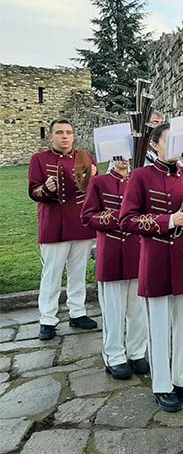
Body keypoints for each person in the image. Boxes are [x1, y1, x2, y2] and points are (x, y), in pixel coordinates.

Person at [119, 123, 183, 413]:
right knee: (157, 326)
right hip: (156, 258)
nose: (175, 146)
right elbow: (127, 220)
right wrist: (169, 221)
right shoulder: (141, 176)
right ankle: (162, 385)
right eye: (169, 140)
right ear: (154, 144)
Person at [28, 118, 98, 340]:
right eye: (59, 132)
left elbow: (94, 192)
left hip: (80, 222)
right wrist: (46, 188)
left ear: (73, 135)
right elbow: (33, 192)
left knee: (78, 272)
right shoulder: (39, 159)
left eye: (68, 132)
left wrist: (94, 177)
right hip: (54, 223)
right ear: (50, 137)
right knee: (52, 274)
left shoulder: (85, 158)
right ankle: (47, 318)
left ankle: (78, 312)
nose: (65, 136)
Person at [81, 158, 148, 380]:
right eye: (118, 154)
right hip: (111, 252)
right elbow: (87, 216)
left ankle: (137, 352)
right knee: (113, 310)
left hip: (137, 251)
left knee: (138, 310)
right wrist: (116, 217)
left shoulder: (140, 180)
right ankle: (114, 356)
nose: (123, 159)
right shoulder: (99, 182)